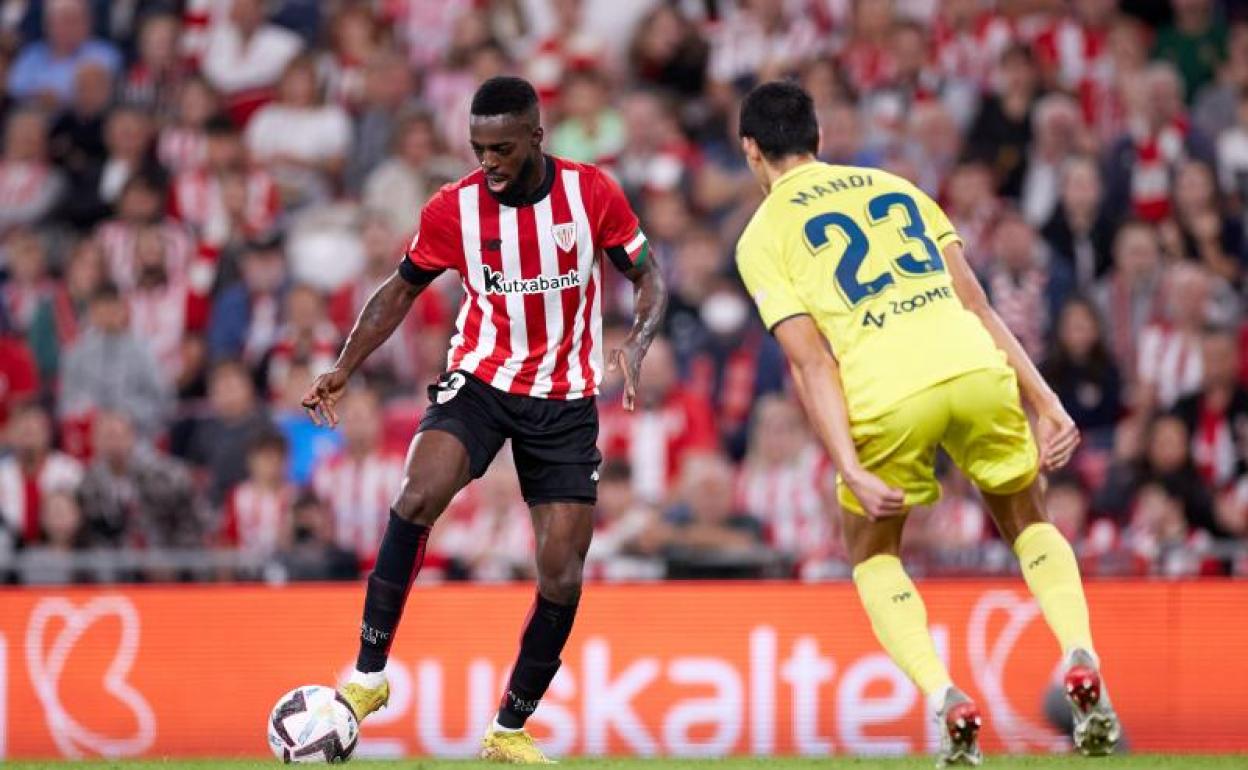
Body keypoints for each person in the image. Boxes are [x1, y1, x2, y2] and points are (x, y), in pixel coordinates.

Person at [733, 82, 1120, 766]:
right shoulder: (898, 187)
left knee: (873, 554)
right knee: (1028, 519)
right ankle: (1079, 653)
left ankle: (947, 699)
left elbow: (812, 363)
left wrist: (849, 466)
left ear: (750, 151)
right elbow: (979, 305)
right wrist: (1045, 400)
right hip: (973, 366)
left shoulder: (762, 235)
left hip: (888, 391)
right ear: (819, 138)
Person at [300, 76, 666, 764]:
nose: (489, 162)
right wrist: (345, 365)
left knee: (561, 572)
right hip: (481, 378)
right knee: (417, 493)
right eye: (478, 149)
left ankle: (509, 728)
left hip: (564, 397)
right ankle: (368, 677)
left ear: (536, 136)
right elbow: (399, 291)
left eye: (502, 148)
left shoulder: (591, 193)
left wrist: (639, 341)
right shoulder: (454, 208)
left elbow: (648, 275)